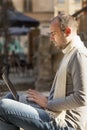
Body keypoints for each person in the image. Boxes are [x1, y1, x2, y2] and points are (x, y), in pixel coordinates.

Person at [0, 13, 87, 130]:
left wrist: (48, 104)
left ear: (67, 31)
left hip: (66, 123)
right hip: (56, 112)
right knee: (11, 97)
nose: (51, 38)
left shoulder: (78, 55)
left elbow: (82, 97)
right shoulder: (70, 52)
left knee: (4, 107)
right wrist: (46, 99)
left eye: (53, 33)